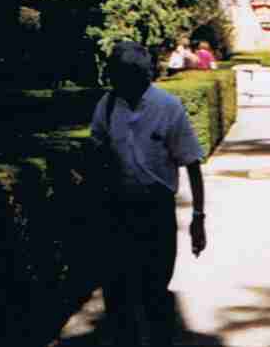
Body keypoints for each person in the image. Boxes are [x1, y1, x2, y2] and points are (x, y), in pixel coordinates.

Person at [89, 40, 207, 347]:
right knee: (117, 293)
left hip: (155, 212)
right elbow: (97, 147)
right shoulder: (108, 104)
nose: (115, 82)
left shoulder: (168, 107)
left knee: (154, 290)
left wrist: (198, 218)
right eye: (114, 75)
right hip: (117, 210)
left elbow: (192, 162)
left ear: (142, 75)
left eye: (121, 76)